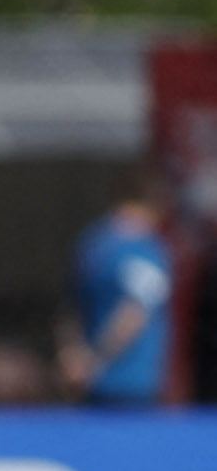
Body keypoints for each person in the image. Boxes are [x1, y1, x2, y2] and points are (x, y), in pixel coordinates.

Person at [60, 170, 176, 404]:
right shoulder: (145, 249)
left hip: (88, 381)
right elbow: (134, 313)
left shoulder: (91, 244)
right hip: (131, 380)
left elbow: (71, 308)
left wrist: (73, 357)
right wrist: (96, 359)